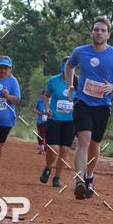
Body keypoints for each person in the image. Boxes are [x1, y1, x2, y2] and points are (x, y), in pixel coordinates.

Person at [65, 16, 113, 199]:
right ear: (91, 33)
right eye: (96, 30)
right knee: (83, 140)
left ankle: (89, 176)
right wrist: (71, 85)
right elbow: (69, 66)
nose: (99, 33)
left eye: (103, 30)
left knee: (94, 144)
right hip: (83, 102)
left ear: (108, 34)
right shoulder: (80, 52)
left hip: (102, 105)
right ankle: (79, 181)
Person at [39, 57, 75, 188]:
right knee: (53, 148)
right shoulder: (53, 80)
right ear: (63, 67)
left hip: (70, 121)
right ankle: (48, 168)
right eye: (66, 66)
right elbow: (47, 96)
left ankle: (57, 177)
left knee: (65, 150)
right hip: (54, 119)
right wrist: (47, 108)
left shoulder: (79, 82)